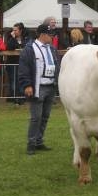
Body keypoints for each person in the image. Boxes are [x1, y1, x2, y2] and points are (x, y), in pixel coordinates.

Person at [18, 23, 61, 155]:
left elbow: (56, 65)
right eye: (50, 35)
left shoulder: (52, 49)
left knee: (45, 116)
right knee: (36, 117)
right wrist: (27, 85)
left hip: (50, 86)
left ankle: (39, 141)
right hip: (38, 86)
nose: (52, 37)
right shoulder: (30, 49)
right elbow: (24, 69)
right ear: (42, 35)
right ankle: (31, 143)